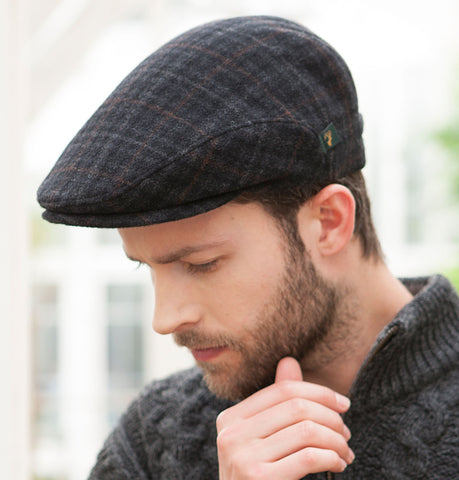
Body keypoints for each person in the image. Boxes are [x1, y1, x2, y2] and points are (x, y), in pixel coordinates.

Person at [37, 15, 459, 480]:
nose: (165, 320)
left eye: (201, 263)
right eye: (147, 268)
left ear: (329, 222)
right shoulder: (151, 445)